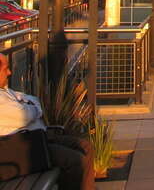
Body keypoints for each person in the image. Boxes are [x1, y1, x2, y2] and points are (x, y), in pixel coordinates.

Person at [0, 53, 94, 189]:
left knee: (85, 147)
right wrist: (34, 110)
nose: (9, 73)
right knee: (76, 161)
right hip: (22, 149)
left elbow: (33, 100)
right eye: (5, 69)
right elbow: (24, 115)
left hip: (38, 138)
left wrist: (32, 109)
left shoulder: (5, 91)